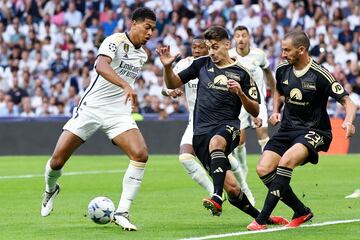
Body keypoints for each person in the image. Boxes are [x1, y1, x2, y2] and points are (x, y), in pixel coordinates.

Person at [157, 26, 288, 226]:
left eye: (215, 47)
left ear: (227, 45)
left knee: (217, 142)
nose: (211, 52)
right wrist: (167, 67)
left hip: (229, 127)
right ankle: (262, 217)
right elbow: (173, 83)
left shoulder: (242, 73)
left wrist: (241, 94)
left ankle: (216, 196)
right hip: (200, 133)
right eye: (208, 47)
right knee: (234, 190)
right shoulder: (201, 64)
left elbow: (254, 110)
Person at [40, 7, 157, 231]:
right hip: (91, 108)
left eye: (153, 29)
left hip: (118, 112)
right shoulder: (114, 40)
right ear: (133, 24)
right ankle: (50, 189)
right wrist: (124, 85)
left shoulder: (143, 55)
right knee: (57, 160)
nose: (150, 33)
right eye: (147, 27)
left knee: (140, 154)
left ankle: (122, 212)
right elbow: (100, 65)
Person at [247, 30, 356, 231]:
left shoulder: (320, 74)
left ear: (301, 50)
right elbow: (279, 91)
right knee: (263, 169)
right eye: (282, 50)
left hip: (315, 131)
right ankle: (301, 210)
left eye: (287, 50)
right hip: (287, 128)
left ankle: (262, 219)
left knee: (286, 161)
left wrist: (348, 121)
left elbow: (348, 102)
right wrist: (276, 111)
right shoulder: (282, 70)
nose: (283, 54)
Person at [228, 25, 276, 206]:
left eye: (243, 36)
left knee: (262, 133)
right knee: (240, 141)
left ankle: (270, 167)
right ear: (234, 38)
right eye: (237, 36)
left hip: (258, 100)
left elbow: (268, 74)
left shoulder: (259, 55)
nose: (240, 39)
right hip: (239, 102)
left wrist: (274, 90)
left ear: (249, 38)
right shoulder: (230, 55)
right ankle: (243, 171)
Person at [161, 36, 214, 196]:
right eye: (194, 46)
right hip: (196, 120)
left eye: (201, 46)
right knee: (185, 157)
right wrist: (171, 90)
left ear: (208, 48)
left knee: (223, 160)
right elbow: (165, 88)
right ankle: (214, 192)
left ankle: (244, 191)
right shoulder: (185, 64)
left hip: (217, 120)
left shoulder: (215, 64)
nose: (197, 49)